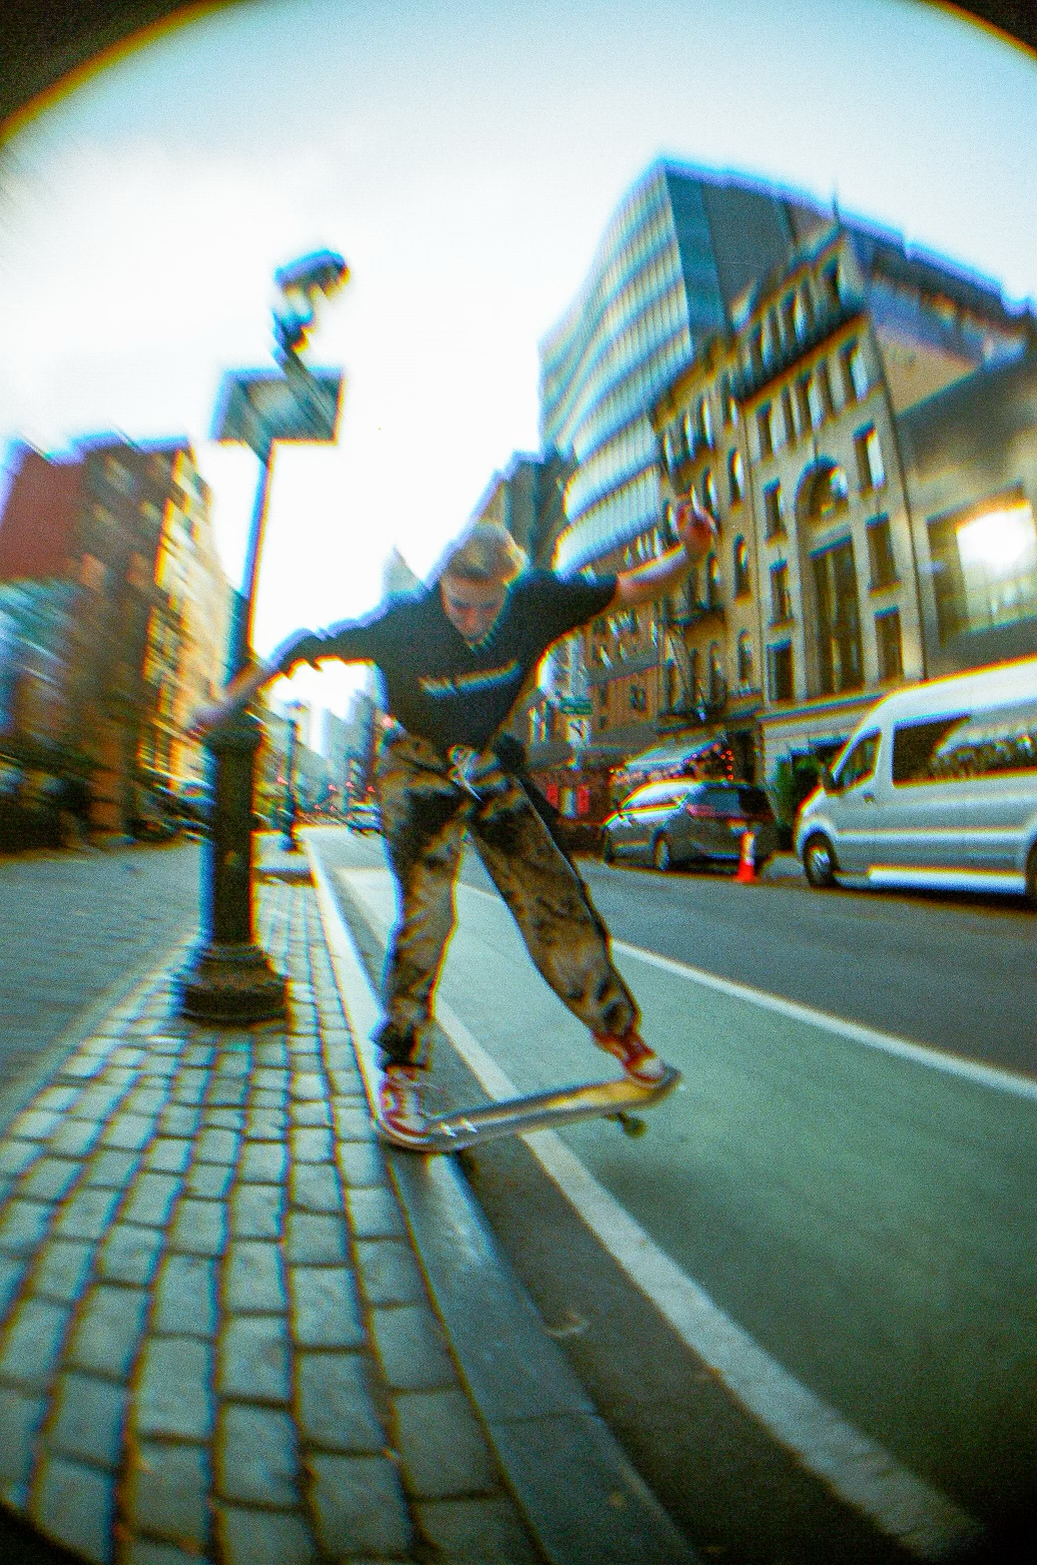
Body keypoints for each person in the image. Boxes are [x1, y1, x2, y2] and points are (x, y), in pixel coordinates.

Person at [191, 498, 718, 1146]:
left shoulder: (537, 601)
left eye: (484, 606)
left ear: (506, 590)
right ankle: (403, 1069)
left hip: (484, 762)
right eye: (458, 603)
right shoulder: (402, 622)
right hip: (414, 766)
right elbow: (296, 647)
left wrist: (691, 553)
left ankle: (616, 1029)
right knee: (429, 911)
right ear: (440, 585)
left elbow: (635, 586)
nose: (470, 621)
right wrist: (225, 704)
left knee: (551, 891)